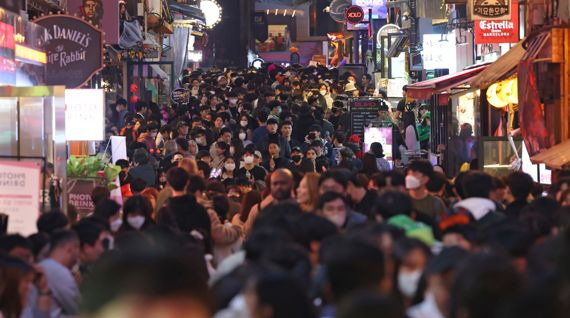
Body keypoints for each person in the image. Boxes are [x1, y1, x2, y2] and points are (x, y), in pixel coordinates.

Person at [39, 230, 81, 317]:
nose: (78, 254)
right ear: (71, 248)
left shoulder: (43, 265)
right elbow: (79, 308)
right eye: (78, 248)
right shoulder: (59, 272)